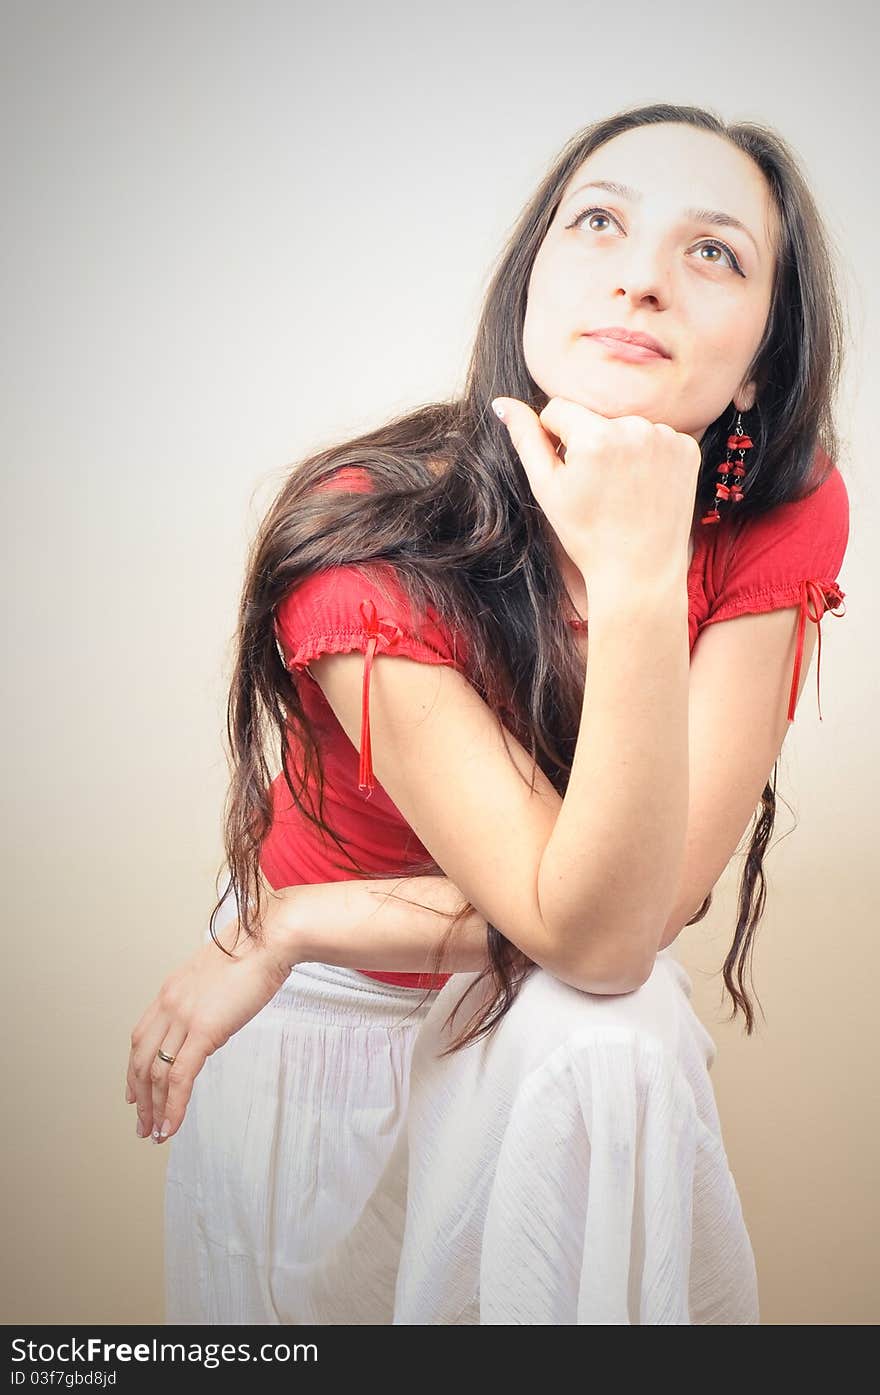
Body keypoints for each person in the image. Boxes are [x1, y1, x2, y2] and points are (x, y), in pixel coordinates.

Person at [125, 102, 850, 1325]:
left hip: (541, 1012)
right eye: (601, 223)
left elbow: (624, 929)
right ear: (530, 283)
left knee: (608, 1025)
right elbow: (583, 923)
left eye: (712, 251)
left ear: (764, 359)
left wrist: (298, 916)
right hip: (337, 1035)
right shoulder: (364, 536)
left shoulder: (782, 513)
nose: (641, 281)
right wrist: (316, 944)